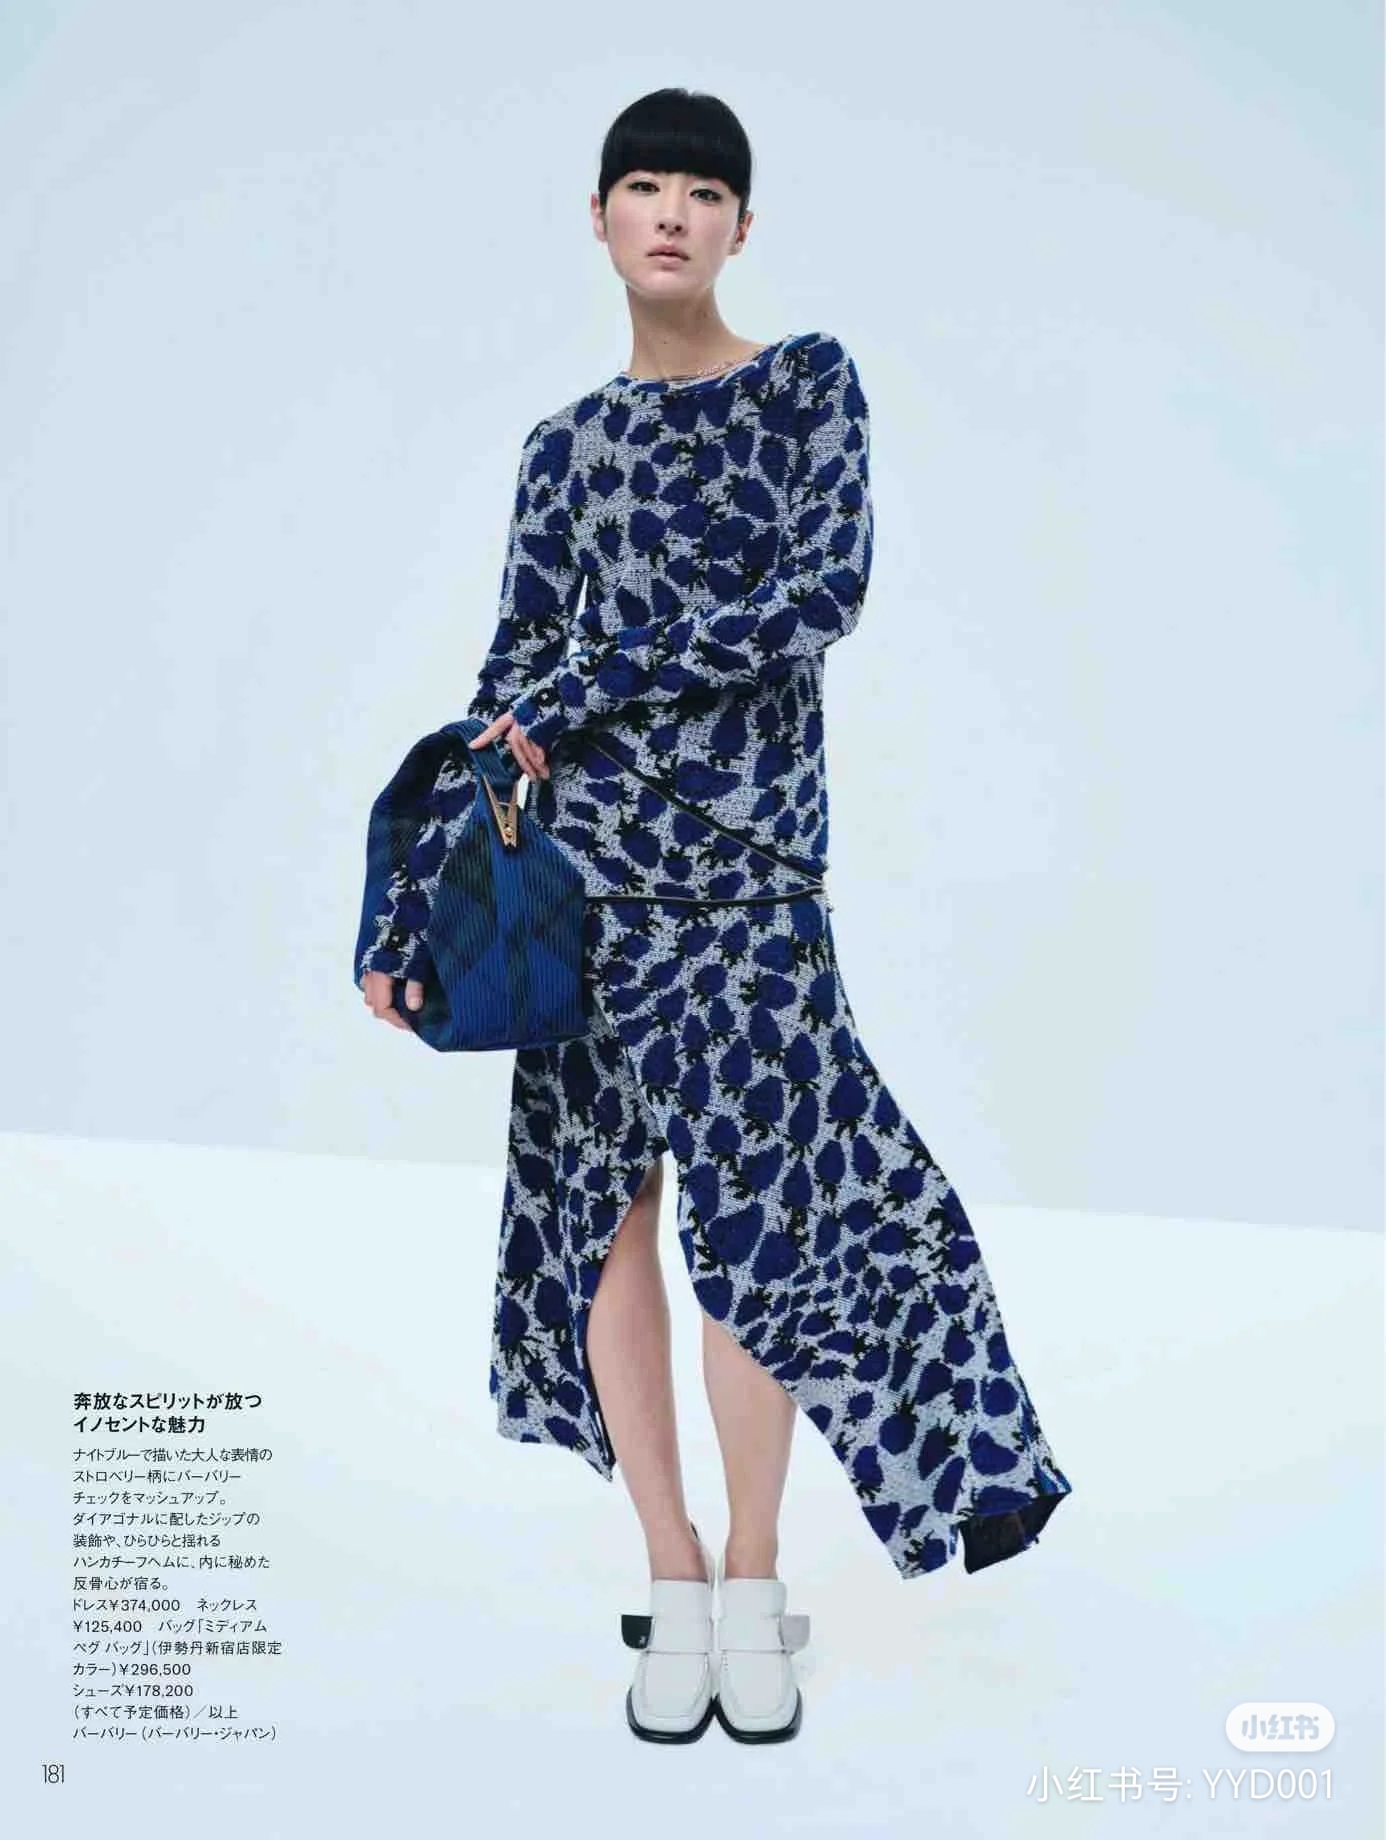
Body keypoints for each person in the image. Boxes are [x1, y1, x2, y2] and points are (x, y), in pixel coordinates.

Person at [359, 87, 1072, 1746]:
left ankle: (756, 1576)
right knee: (600, 1220)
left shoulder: (805, 384)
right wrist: (410, 907)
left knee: (760, 1230)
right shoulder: (562, 448)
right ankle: (671, 1575)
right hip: (584, 885)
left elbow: (819, 594)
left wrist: (591, 684)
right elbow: (507, 681)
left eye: (701, 190)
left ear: (742, 226)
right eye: (642, 186)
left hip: (747, 880)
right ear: (598, 218)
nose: (670, 213)